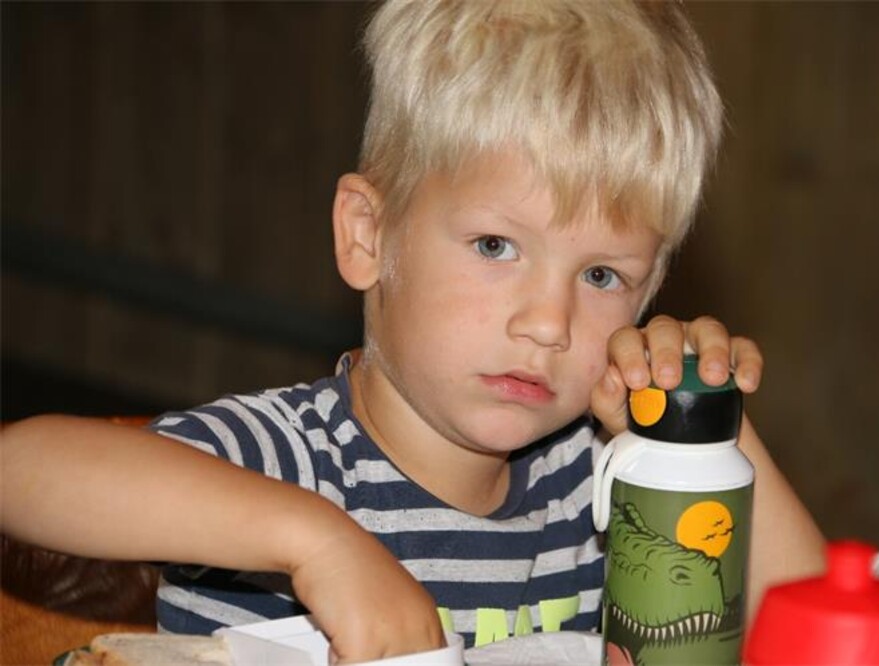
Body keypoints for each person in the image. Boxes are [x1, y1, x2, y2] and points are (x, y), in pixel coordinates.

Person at [1, 0, 825, 662]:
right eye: (495, 246)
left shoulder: (602, 484)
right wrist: (314, 545)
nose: (549, 322)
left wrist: (702, 433)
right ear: (369, 236)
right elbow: (20, 469)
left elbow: (810, 627)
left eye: (602, 276)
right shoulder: (290, 463)